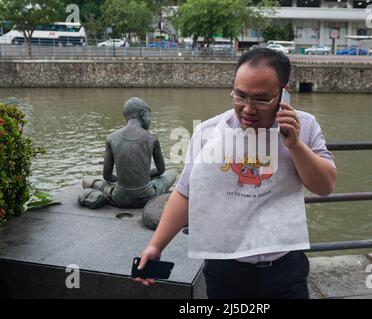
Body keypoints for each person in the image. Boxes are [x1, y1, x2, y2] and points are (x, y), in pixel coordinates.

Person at [133, 49, 336, 299]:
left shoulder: (303, 127)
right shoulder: (208, 133)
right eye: (240, 95)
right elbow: (186, 194)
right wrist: (156, 245)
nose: (248, 109)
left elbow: (325, 186)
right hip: (226, 266)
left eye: (261, 99)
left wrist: (295, 146)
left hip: (286, 264)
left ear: (283, 92)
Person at [78, 97, 177, 209]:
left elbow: (107, 176)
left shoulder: (111, 138)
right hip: (147, 197)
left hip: (118, 198)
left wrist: (123, 179)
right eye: (150, 116)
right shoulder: (152, 138)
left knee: (88, 180)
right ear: (144, 114)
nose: (150, 119)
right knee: (172, 173)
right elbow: (160, 171)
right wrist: (142, 177)